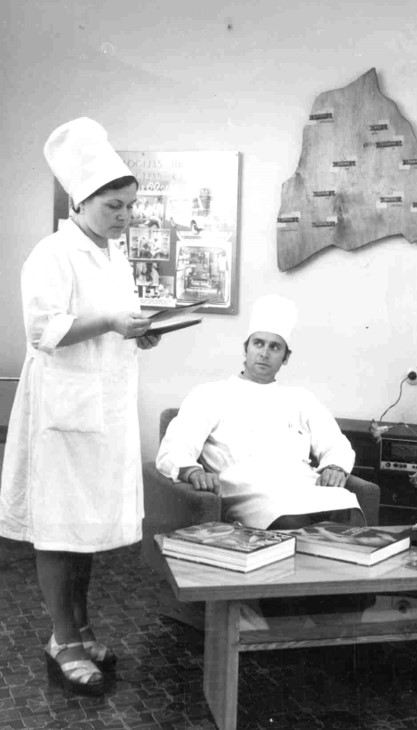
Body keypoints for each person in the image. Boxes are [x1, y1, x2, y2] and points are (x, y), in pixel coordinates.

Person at [0, 118, 161, 695]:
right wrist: (112, 321)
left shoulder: (114, 255)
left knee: (86, 529)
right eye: (114, 207)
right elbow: (44, 330)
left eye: (130, 207)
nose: (124, 217)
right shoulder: (52, 253)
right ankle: (62, 638)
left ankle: (82, 626)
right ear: (81, 200)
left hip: (104, 410)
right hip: (62, 412)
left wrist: (139, 331)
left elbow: (114, 321)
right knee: (58, 528)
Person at [156, 294, 364, 530]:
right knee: (290, 520)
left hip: (303, 485)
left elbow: (336, 443)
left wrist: (335, 466)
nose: (265, 353)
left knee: (347, 509)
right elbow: (175, 447)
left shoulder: (301, 398)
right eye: (258, 343)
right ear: (246, 349)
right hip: (248, 492)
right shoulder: (210, 394)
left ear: (286, 357)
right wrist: (193, 471)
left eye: (274, 347)